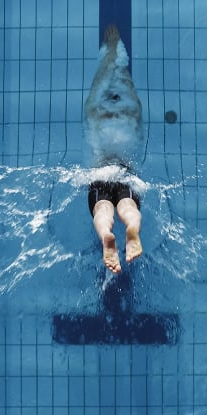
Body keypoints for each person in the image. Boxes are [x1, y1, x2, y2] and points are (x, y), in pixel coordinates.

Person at [84, 25, 144, 274]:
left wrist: (109, 54)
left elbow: (95, 93)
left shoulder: (93, 113)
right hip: (126, 173)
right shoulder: (134, 114)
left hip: (100, 173)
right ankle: (132, 228)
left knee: (102, 209)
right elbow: (130, 94)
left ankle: (106, 234)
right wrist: (120, 61)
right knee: (128, 206)